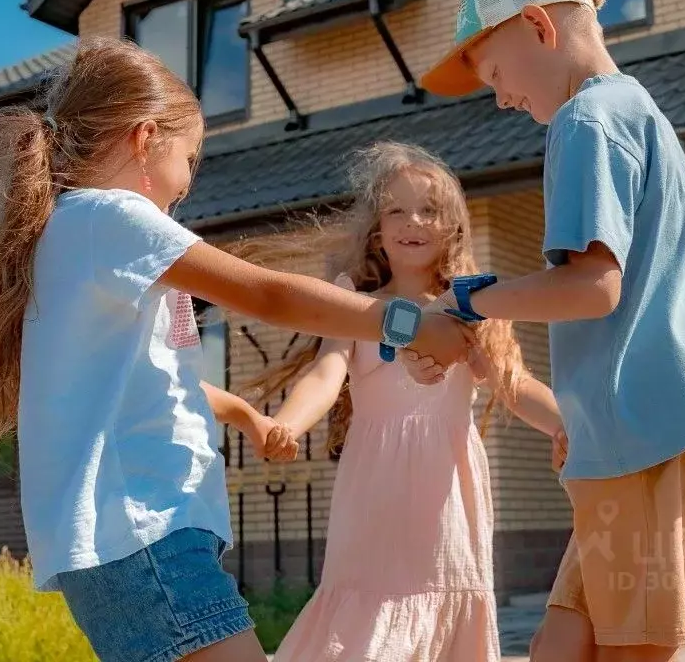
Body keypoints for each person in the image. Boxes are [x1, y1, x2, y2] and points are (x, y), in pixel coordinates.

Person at [0, 36, 468, 662]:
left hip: (133, 542)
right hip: (145, 533)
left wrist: (245, 414)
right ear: (145, 139)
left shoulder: (79, 232)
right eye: (191, 158)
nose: (189, 183)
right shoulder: (111, 217)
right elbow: (271, 296)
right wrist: (409, 324)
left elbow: (150, 381)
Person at [417, 0, 685, 662]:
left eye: (497, 77)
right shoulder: (633, 109)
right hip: (639, 420)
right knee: (562, 640)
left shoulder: (585, 121)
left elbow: (592, 287)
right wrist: (583, 415)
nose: (502, 100)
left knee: (630, 646)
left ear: (537, 26)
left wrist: (474, 302)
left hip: (645, 425)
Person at [233, 141, 567, 662]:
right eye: (396, 209)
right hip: (374, 484)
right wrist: (289, 424)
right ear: (377, 228)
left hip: (446, 487)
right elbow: (327, 372)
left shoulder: (473, 303)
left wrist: (566, 427)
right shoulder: (356, 302)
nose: (413, 221)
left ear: (454, 225)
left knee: (444, 588)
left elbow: (513, 383)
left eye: (429, 210)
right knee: (367, 611)